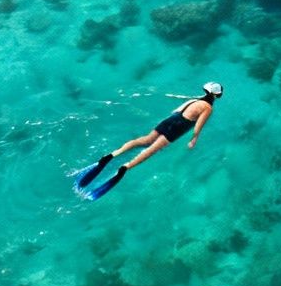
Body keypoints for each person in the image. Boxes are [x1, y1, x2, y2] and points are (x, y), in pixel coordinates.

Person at [73, 82, 223, 200]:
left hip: (170, 120)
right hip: (180, 126)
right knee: (152, 149)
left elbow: (175, 111)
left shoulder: (193, 100)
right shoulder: (208, 108)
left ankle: (114, 154)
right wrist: (194, 138)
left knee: (145, 140)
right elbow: (199, 124)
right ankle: (126, 166)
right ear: (216, 96)